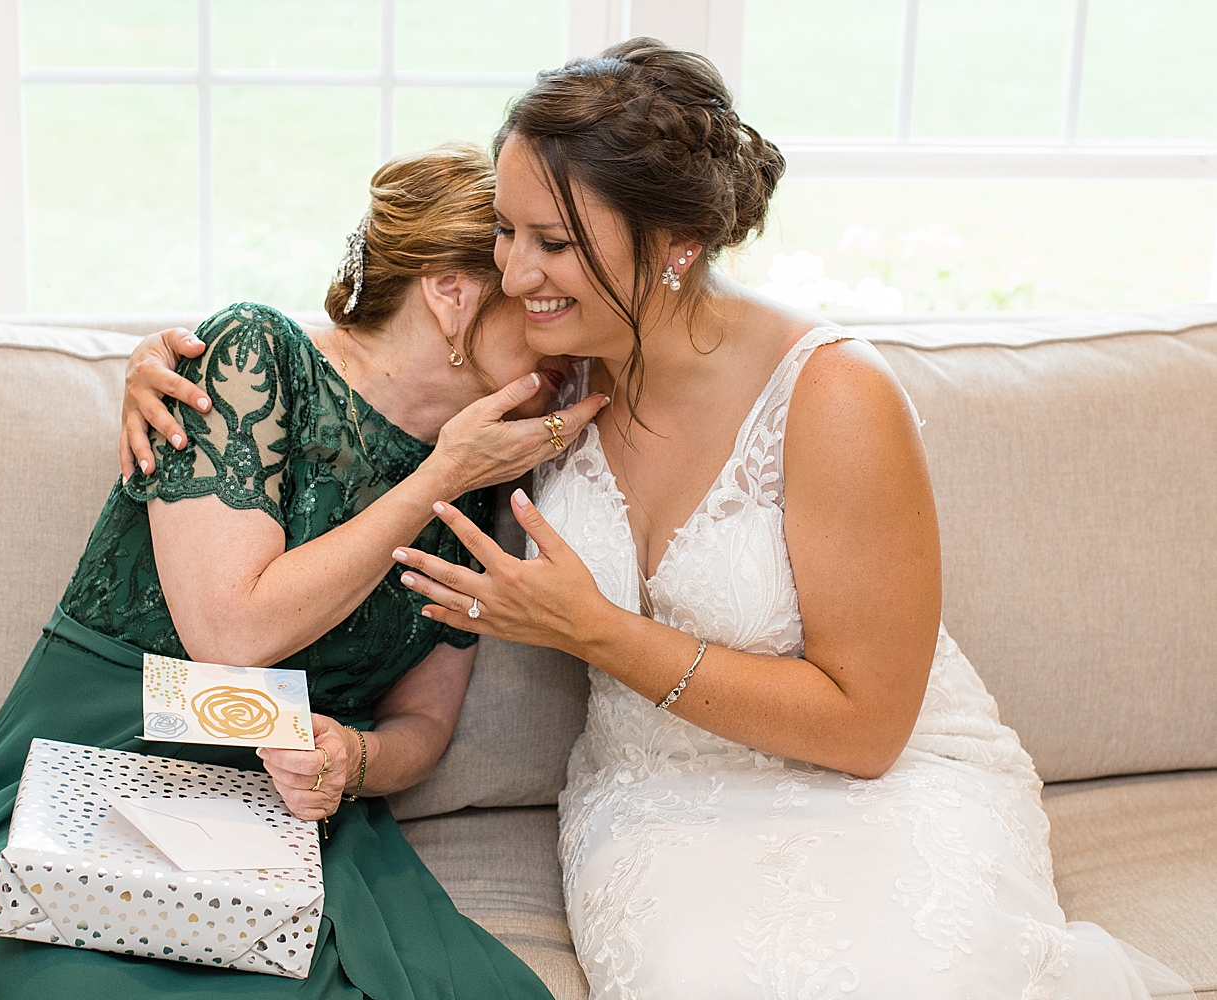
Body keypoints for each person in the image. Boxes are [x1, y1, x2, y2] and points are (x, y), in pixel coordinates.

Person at [390, 40, 1197, 1000]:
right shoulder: (550, 360)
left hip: (882, 791)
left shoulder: (832, 395)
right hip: (661, 802)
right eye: (505, 231)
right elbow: (350, 358)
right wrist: (165, 370)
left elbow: (868, 732)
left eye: (553, 243)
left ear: (677, 243)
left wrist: (597, 631)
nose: (516, 274)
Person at [0, 142, 604, 1000]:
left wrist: (355, 756)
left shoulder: (488, 481)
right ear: (452, 294)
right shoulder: (254, 357)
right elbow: (232, 633)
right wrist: (437, 478)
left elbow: (424, 720)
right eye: (537, 307)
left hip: (283, 814)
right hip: (111, 760)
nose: (566, 341)